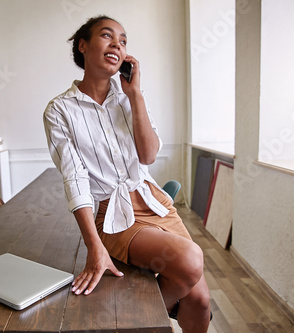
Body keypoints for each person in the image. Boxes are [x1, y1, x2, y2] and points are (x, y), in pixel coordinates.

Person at [43, 15, 211, 332]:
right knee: (190, 261)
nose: (117, 45)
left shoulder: (130, 99)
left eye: (123, 41)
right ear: (83, 45)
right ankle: (135, 323)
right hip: (111, 213)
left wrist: (135, 96)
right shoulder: (60, 110)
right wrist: (94, 247)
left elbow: (148, 155)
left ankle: (136, 320)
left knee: (200, 301)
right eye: (107, 36)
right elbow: (75, 179)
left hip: (152, 201)